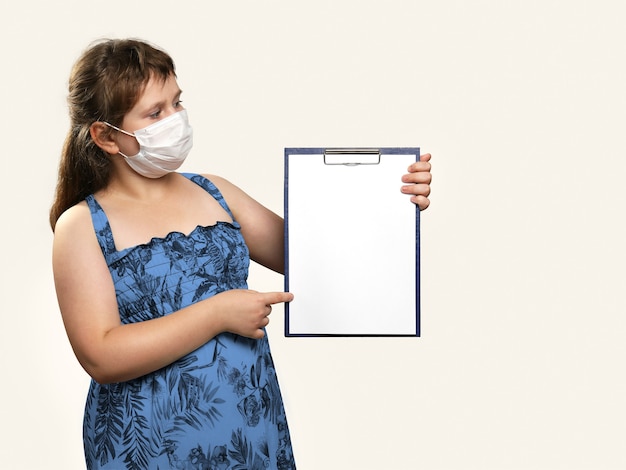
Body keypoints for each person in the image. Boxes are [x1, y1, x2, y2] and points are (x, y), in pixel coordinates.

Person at [50, 38, 432, 470]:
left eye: (177, 103)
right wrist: (217, 314)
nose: (174, 120)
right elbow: (100, 355)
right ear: (105, 136)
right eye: (155, 113)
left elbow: (314, 261)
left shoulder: (214, 191)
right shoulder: (82, 226)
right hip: (148, 446)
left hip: (250, 429)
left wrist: (392, 200)